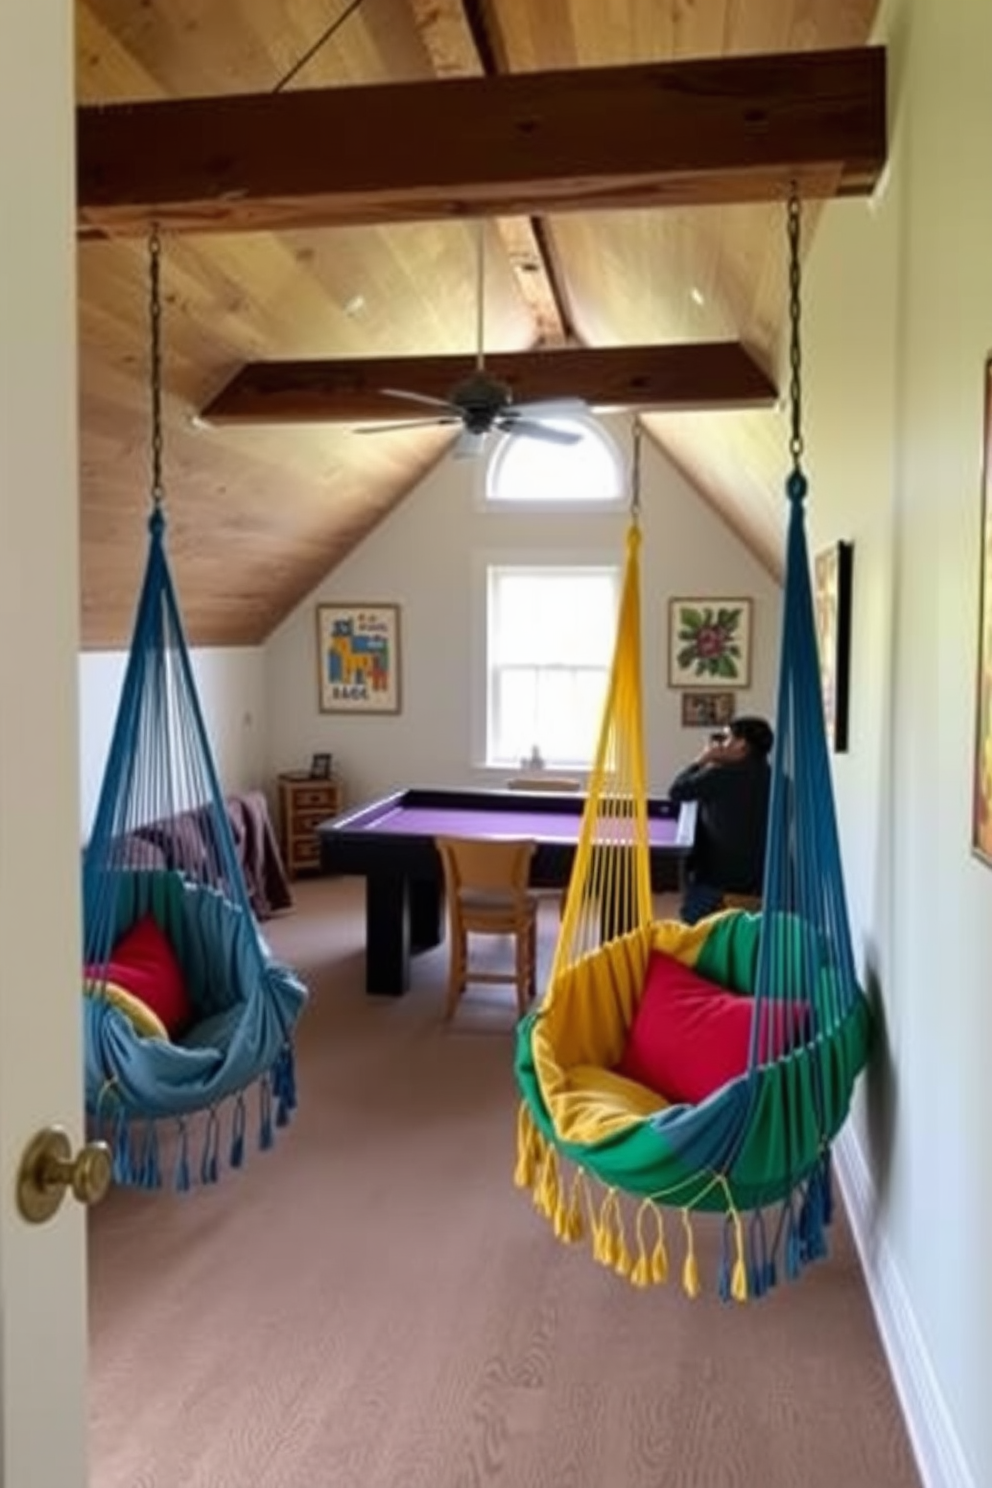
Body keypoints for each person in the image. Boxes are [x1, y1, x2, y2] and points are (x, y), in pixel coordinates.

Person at [667, 715, 774, 924]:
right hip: (764, 881)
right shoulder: (780, 781)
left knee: (690, 864)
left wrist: (702, 760)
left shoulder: (719, 776)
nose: (722, 745)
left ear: (741, 745)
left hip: (717, 883)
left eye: (726, 739)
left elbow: (676, 791)